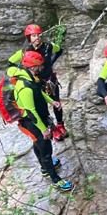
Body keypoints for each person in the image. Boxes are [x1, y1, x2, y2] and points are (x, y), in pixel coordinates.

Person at [7, 51, 74, 192]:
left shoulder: (29, 78)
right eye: (39, 66)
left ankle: (45, 168)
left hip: (37, 119)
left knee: (38, 144)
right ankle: (56, 179)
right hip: (32, 122)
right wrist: (44, 129)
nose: (41, 68)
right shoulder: (24, 87)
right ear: (32, 67)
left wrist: (52, 102)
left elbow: (38, 92)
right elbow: (31, 111)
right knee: (46, 150)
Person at [8, 23, 68, 141]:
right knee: (42, 106)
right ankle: (52, 127)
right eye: (34, 36)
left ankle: (60, 124)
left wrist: (50, 62)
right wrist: (21, 72)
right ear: (29, 38)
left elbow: (59, 50)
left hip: (50, 80)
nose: (37, 38)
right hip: (36, 82)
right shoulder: (24, 52)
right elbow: (10, 62)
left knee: (56, 103)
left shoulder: (48, 46)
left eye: (38, 35)